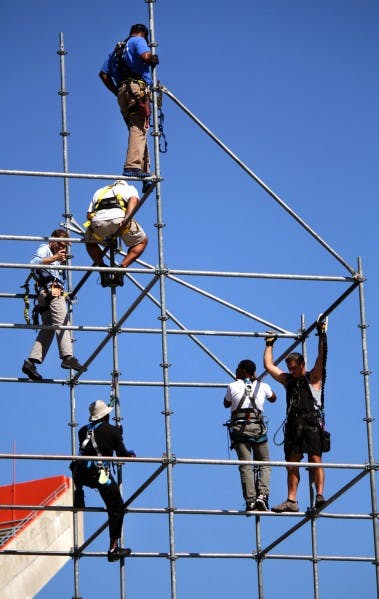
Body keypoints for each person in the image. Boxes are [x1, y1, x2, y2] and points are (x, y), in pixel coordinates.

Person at [263, 323, 328, 513]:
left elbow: (321, 357)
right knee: (292, 463)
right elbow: (268, 366)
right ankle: (291, 501)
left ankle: (319, 495)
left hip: (311, 423)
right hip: (293, 425)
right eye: (289, 369)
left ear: (301, 365)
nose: (291, 371)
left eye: (293, 368)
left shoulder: (313, 377)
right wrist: (269, 344)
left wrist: (322, 335)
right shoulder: (288, 380)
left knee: (315, 459)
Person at [70, 400, 136, 562]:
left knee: (80, 467)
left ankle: (79, 495)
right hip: (100, 476)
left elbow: (95, 445)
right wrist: (125, 446)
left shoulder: (82, 431)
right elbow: (121, 454)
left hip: (81, 475)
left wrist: (116, 435)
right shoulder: (112, 431)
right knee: (117, 508)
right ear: (106, 415)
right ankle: (113, 549)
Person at [21, 229, 84, 381]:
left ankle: (31, 362)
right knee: (63, 322)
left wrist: (58, 261)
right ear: (53, 241)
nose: (63, 248)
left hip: (47, 293)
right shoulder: (45, 249)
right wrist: (55, 257)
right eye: (62, 244)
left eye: (66, 246)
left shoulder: (55, 258)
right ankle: (67, 357)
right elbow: (33, 263)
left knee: (48, 329)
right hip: (51, 291)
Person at [99, 23, 159, 180]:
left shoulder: (116, 51)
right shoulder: (138, 41)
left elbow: (103, 75)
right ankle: (132, 166)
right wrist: (152, 58)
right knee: (139, 128)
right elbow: (145, 57)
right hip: (136, 88)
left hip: (122, 92)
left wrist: (116, 91)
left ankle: (143, 170)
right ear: (144, 34)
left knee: (138, 130)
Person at [224, 359, 277, 512]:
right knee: (265, 463)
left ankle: (251, 501)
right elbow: (273, 398)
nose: (235, 371)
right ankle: (262, 495)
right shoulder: (263, 386)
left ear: (244, 371)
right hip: (257, 428)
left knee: (246, 465)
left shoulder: (232, 386)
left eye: (238, 369)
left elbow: (226, 403)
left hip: (240, 429)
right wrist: (257, 381)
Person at [84, 180, 148, 287]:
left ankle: (102, 267)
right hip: (119, 220)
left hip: (98, 222)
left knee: (90, 242)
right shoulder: (128, 188)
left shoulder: (100, 191)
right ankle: (121, 268)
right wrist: (127, 217)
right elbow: (134, 200)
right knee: (142, 241)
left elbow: (89, 214)